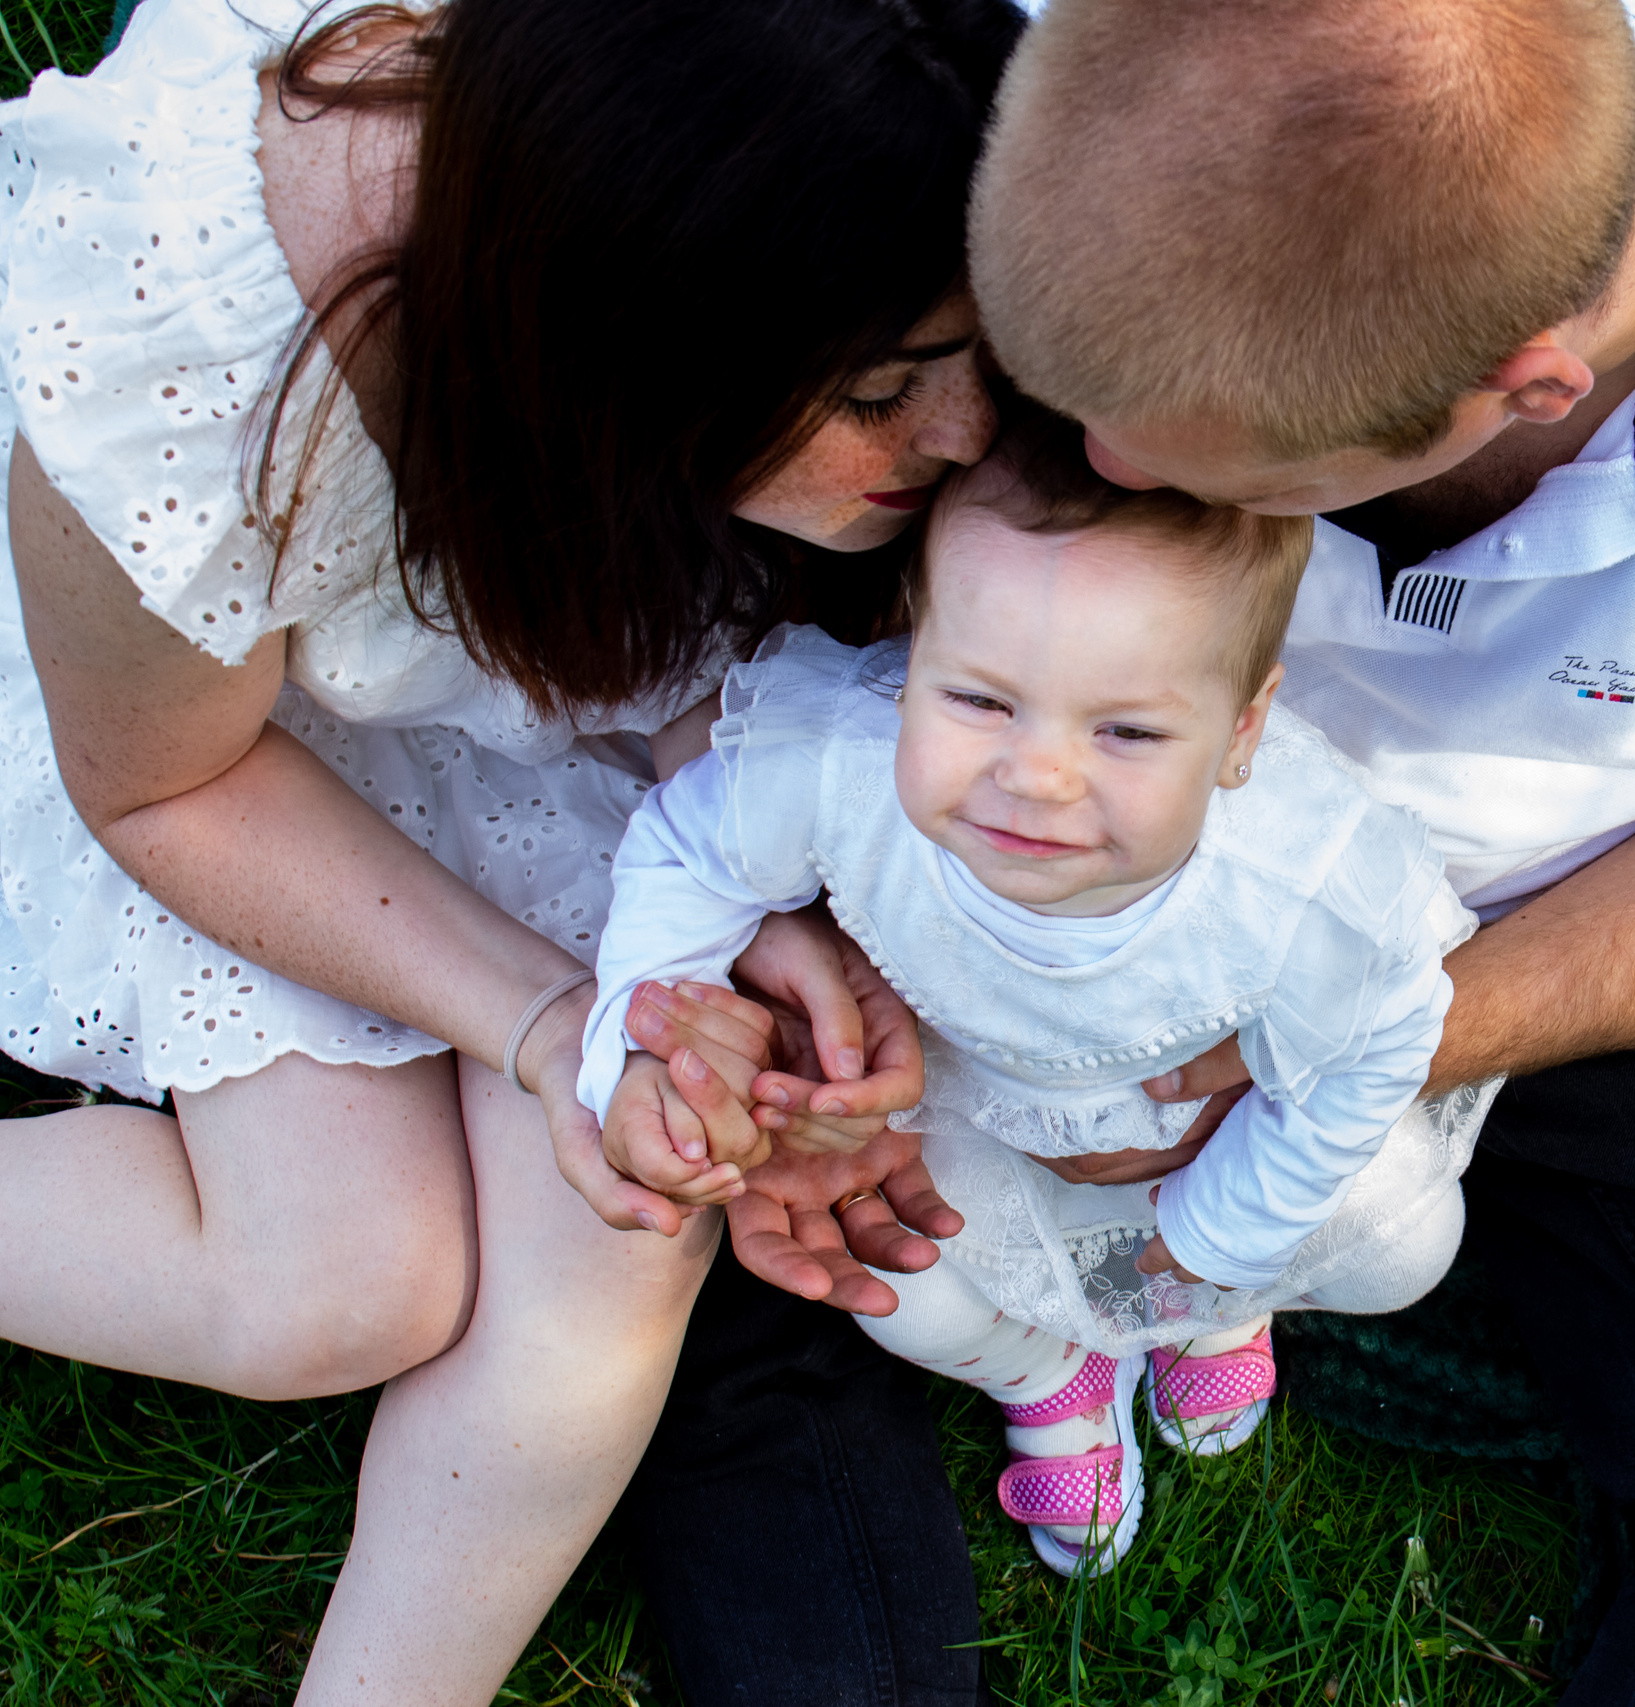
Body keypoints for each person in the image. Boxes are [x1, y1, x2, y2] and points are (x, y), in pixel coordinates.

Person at [646, 0, 1635, 1701]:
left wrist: (1379, 1035)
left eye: (1165, 457)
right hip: (978, 809)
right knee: (745, 1242)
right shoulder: (1055, 73)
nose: (1031, 448)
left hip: (1538, 894)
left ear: (1520, 395)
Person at [0, 0, 1020, 1698]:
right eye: (882, 389)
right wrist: (554, 1017)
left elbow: (692, 632)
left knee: (624, 1195)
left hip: (524, 649)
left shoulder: (839, 158)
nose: (971, 439)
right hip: (221, 722)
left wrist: (738, 857)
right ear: (640, 328)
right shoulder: (187, 355)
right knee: (336, 1286)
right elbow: (166, 783)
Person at [581, 414, 1488, 1574]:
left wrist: (1230, 1226)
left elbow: (1380, 1040)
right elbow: (686, 851)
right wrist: (643, 1042)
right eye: (977, 701)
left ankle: (1212, 1310)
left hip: (1200, 1123)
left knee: (1406, 1233)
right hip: (970, 1100)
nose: (1036, 774)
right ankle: (1043, 1368)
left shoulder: (1300, 879)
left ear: (1239, 731)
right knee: (878, 1272)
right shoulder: (838, 765)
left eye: (1125, 730)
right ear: (913, 652)